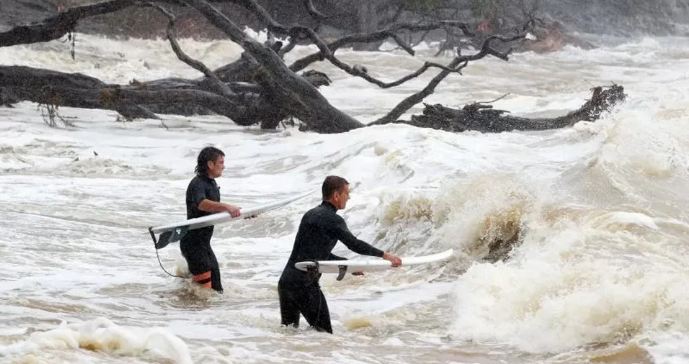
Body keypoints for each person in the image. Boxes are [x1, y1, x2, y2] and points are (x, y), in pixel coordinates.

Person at [278, 175, 402, 333]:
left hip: (286, 283)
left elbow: (315, 253)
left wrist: (348, 265)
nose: (348, 197)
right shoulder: (333, 220)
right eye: (346, 193)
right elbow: (354, 244)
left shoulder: (310, 215)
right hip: (305, 286)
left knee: (289, 334)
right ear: (336, 195)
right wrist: (385, 255)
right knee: (324, 336)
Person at [180, 146, 240, 293]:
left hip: (204, 244)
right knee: (204, 294)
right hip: (193, 245)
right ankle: (191, 314)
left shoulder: (211, 183)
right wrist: (227, 207)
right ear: (210, 164)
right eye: (221, 162)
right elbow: (202, 204)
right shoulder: (197, 183)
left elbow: (215, 212)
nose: (223, 166)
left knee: (217, 291)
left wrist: (243, 214)